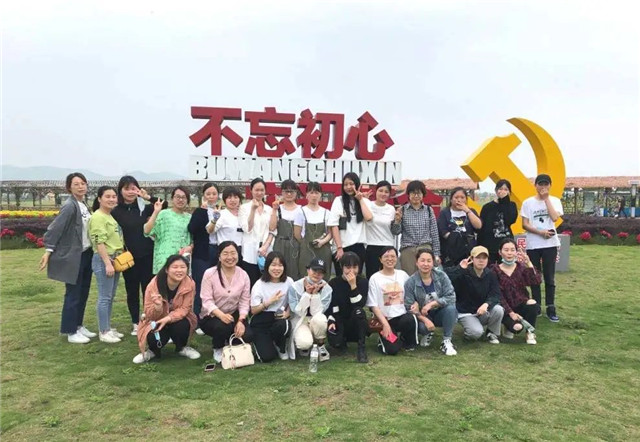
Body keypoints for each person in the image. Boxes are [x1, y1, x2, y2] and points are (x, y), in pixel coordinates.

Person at [40, 172, 96, 344]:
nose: (80, 187)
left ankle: (78, 325)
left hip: (86, 253)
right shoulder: (70, 206)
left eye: (83, 183)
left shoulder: (83, 204)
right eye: (76, 184)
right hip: (74, 256)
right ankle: (70, 330)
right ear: (69, 187)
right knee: (73, 293)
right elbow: (55, 228)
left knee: (83, 291)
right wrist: (49, 250)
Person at [112, 175, 164, 336]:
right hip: (129, 257)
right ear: (120, 191)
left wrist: (147, 197)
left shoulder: (144, 208)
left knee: (148, 290)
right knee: (132, 290)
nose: (130, 192)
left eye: (133, 188)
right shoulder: (116, 211)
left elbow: (164, 205)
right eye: (126, 189)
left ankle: (148, 318)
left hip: (148, 254)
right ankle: (135, 322)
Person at [132, 255, 201, 363]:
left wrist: (169, 318)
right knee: (154, 337)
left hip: (177, 318)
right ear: (167, 270)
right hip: (157, 319)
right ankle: (152, 351)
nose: (179, 270)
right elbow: (148, 314)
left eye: (183, 267)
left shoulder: (189, 283)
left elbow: (185, 308)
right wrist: (158, 307)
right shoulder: (153, 285)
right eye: (175, 267)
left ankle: (182, 347)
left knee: (182, 325)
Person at [198, 241, 254, 363]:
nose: (230, 257)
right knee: (222, 327)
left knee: (247, 335)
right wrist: (221, 315)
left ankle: (230, 340)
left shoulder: (243, 275)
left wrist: (241, 321)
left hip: (233, 313)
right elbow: (206, 301)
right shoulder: (210, 274)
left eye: (233, 253)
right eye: (225, 253)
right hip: (211, 316)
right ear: (219, 256)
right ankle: (218, 347)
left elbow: (245, 301)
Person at [520, 173, 563, 322]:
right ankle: (536, 306)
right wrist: (540, 232)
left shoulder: (555, 201)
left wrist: (546, 199)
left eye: (546, 184)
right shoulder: (527, 203)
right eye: (540, 184)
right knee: (534, 276)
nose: (543, 187)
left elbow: (555, 218)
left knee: (549, 277)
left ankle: (551, 307)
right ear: (535, 185)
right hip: (533, 244)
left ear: (550, 185)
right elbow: (525, 224)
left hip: (550, 244)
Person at [445, 246, 504, 344]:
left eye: (484, 258)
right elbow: (445, 278)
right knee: (475, 333)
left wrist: (486, 304)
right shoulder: (463, 273)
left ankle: (492, 333)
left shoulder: (490, 274)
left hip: (482, 311)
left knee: (498, 309)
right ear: (472, 259)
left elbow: (496, 294)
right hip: (466, 312)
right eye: (478, 257)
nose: (481, 260)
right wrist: (459, 268)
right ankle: (470, 332)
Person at [404, 249, 458, 356]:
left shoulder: (441, 276)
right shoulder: (410, 282)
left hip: (440, 312)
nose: (426, 264)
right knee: (422, 327)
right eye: (422, 260)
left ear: (433, 263)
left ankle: (447, 340)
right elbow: (408, 306)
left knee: (451, 309)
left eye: (429, 261)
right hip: (423, 315)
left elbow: (451, 297)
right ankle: (427, 333)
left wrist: (432, 304)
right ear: (417, 262)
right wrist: (424, 319)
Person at [88, 186, 125, 343]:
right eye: (107, 196)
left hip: (114, 259)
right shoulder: (98, 217)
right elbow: (99, 242)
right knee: (104, 297)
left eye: (113, 196)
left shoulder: (109, 216)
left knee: (110, 296)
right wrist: (107, 263)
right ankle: (104, 331)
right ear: (99, 199)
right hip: (105, 259)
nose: (111, 199)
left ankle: (107, 327)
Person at [367, 246, 417, 354]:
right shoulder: (375, 278)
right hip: (385, 319)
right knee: (392, 350)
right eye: (386, 256)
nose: (390, 259)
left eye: (393, 256)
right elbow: (373, 305)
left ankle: (404, 338)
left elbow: (412, 293)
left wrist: (415, 303)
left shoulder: (403, 275)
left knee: (410, 319)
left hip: (402, 316)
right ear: (380, 259)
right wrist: (385, 324)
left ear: (397, 258)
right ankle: (384, 339)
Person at [491, 239, 541, 345]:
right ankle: (508, 326)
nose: (509, 253)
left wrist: (529, 263)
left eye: (512, 250)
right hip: (504, 308)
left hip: (520, 303)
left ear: (516, 252)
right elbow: (498, 295)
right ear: (500, 252)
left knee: (533, 303)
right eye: (506, 250)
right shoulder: (495, 270)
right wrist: (511, 313)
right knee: (517, 328)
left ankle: (530, 332)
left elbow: (536, 281)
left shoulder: (521, 267)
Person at [249, 251, 293, 362]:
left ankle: (280, 346)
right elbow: (253, 310)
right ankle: (265, 342)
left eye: (280, 265)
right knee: (267, 357)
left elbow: (293, 301)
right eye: (273, 265)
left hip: (278, 318)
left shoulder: (289, 282)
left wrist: (288, 312)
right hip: (261, 321)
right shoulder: (259, 284)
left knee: (284, 325)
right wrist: (269, 302)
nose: (276, 269)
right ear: (267, 266)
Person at [391, 180, 441, 275]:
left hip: (425, 248)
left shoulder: (429, 210)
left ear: (423, 195)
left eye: (419, 193)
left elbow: (434, 233)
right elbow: (395, 232)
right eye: (413, 193)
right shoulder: (402, 210)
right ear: (408, 194)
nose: (416, 196)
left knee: (426, 277)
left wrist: (436, 254)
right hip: (408, 250)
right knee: (409, 278)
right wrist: (397, 221)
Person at [328, 172, 373, 277]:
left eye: (351, 184)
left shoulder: (365, 201)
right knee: (342, 278)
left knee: (356, 278)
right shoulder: (338, 201)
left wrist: (360, 199)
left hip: (359, 246)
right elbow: (334, 225)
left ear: (357, 185)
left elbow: (369, 217)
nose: (348, 187)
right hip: (342, 247)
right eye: (345, 184)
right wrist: (339, 248)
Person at [327, 252, 369, 363]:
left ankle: (361, 347)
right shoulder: (333, 283)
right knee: (336, 343)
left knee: (359, 311)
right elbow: (330, 306)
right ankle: (341, 341)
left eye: (355, 267)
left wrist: (353, 286)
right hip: (339, 320)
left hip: (355, 321)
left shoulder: (363, 282)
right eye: (348, 267)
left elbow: (359, 304)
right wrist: (331, 321)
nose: (351, 271)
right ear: (342, 267)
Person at [287, 258, 332, 361]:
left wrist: (315, 294)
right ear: (308, 270)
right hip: (300, 320)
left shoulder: (327, 289)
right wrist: (307, 294)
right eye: (314, 270)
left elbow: (317, 312)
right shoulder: (295, 287)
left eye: (320, 272)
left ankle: (320, 344)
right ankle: (307, 344)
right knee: (304, 343)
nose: (317, 274)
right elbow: (298, 311)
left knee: (321, 319)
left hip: (315, 319)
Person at [188, 183, 221, 320]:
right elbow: (192, 228)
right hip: (202, 251)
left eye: (214, 194)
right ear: (203, 195)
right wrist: (202, 211)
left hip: (218, 251)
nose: (211, 196)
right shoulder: (199, 212)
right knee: (200, 283)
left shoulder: (221, 211)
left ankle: (212, 315)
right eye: (208, 194)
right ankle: (197, 316)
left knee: (216, 284)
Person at [144, 186, 193, 275]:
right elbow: (147, 231)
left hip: (182, 260)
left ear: (187, 200)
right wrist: (155, 212)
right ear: (172, 199)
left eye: (183, 197)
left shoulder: (190, 218)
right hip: (164, 260)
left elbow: (194, 239)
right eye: (177, 197)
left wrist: (190, 247)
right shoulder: (163, 214)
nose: (180, 200)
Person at [239, 178, 275, 287]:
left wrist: (265, 246)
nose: (259, 193)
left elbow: (273, 230)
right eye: (256, 190)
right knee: (251, 283)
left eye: (262, 190)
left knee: (267, 283)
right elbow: (247, 228)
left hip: (266, 252)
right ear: (251, 190)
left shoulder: (269, 209)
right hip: (249, 253)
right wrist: (253, 210)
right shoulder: (244, 208)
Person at [293, 181, 332, 279]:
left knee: (323, 276)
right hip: (306, 251)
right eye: (311, 192)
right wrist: (306, 244)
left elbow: (330, 233)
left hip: (323, 249)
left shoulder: (326, 212)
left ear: (320, 195)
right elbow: (297, 234)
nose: (314, 195)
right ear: (306, 195)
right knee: (306, 276)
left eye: (316, 193)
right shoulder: (300, 212)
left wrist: (322, 241)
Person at [438, 187, 482, 267]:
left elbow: (478, 226)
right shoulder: (444, 213)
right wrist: (457, 240)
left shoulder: (471, 211)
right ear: (451, 199)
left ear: (466, 199)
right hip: (451, 252)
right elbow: (443, 231)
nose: (459, 200)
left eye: (462, 197)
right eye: (456, 197)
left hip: (469, 251)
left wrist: (467, 211)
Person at [364, 180, 398, 280]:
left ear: (389, 194)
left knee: (388, 277)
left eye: (386, 192)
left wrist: (397, 221)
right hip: (371, 246)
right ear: (376, 191)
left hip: (387, 246)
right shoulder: (368, 205)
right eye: (381, 190)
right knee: (372, 277)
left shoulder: (391, 209)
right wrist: (363, 199)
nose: (383, 194)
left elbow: (394, 230)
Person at [478, 179, 518, 264]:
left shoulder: (512, 205)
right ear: (496, 190)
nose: (503, 191)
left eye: (506, 189)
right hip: (490, 245)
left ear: (509, 192)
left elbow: (510, 220)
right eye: (500, 189)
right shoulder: (487, 207)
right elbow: (482, 227)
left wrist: (505, 201)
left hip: (506, 245)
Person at [270, 179, 302, 280]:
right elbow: (272, 227)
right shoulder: (278, 208)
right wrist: (274, 210)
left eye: (292, 191)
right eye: (286, 191)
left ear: (296, 193)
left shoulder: (301, 209)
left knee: (295, 271)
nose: (289, 194)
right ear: (282, 193)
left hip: (295, 245)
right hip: (280, 244)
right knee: (278, 270)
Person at [214, 186, 243, 251]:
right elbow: (211, 230)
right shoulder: (221, 214)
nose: (233, 200)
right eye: (229, 197)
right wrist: (214, 219)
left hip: (241, 250)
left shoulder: (243, 215)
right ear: (225, 200)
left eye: (235, 197)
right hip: (226, 250)